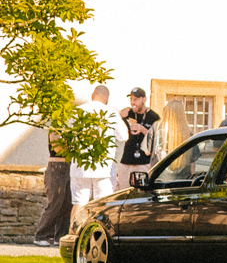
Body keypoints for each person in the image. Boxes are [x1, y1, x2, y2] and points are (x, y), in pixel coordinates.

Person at [68, 85, 121, 229]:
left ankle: (74, 233)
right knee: (103, 203)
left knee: (79, 203)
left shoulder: (78, 111)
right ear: (106, 98)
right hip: (104, 167)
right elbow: (123, 136)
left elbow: (68, 134)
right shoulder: (111, 112)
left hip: (81, 165)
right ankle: (100, 233)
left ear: (92, 95)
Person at [116, 88, 161, 189]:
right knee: (123, 191)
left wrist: (143, 130)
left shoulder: (153, 117)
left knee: (141, 193)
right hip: (126, 161)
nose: (133, 102)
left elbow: (158, 139)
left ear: (144, 99)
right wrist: (120, 116)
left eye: (136, 99)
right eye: (131, 99)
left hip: (144, 163)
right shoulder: (127, 114)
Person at [33, 131, 71, 246]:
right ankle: (41, 235)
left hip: (71, 167)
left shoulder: (75, 128)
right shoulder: (56, 128)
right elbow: (58, 148)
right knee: (55, 202)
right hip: (56, 168)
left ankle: (60, 237)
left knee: (67, 203)